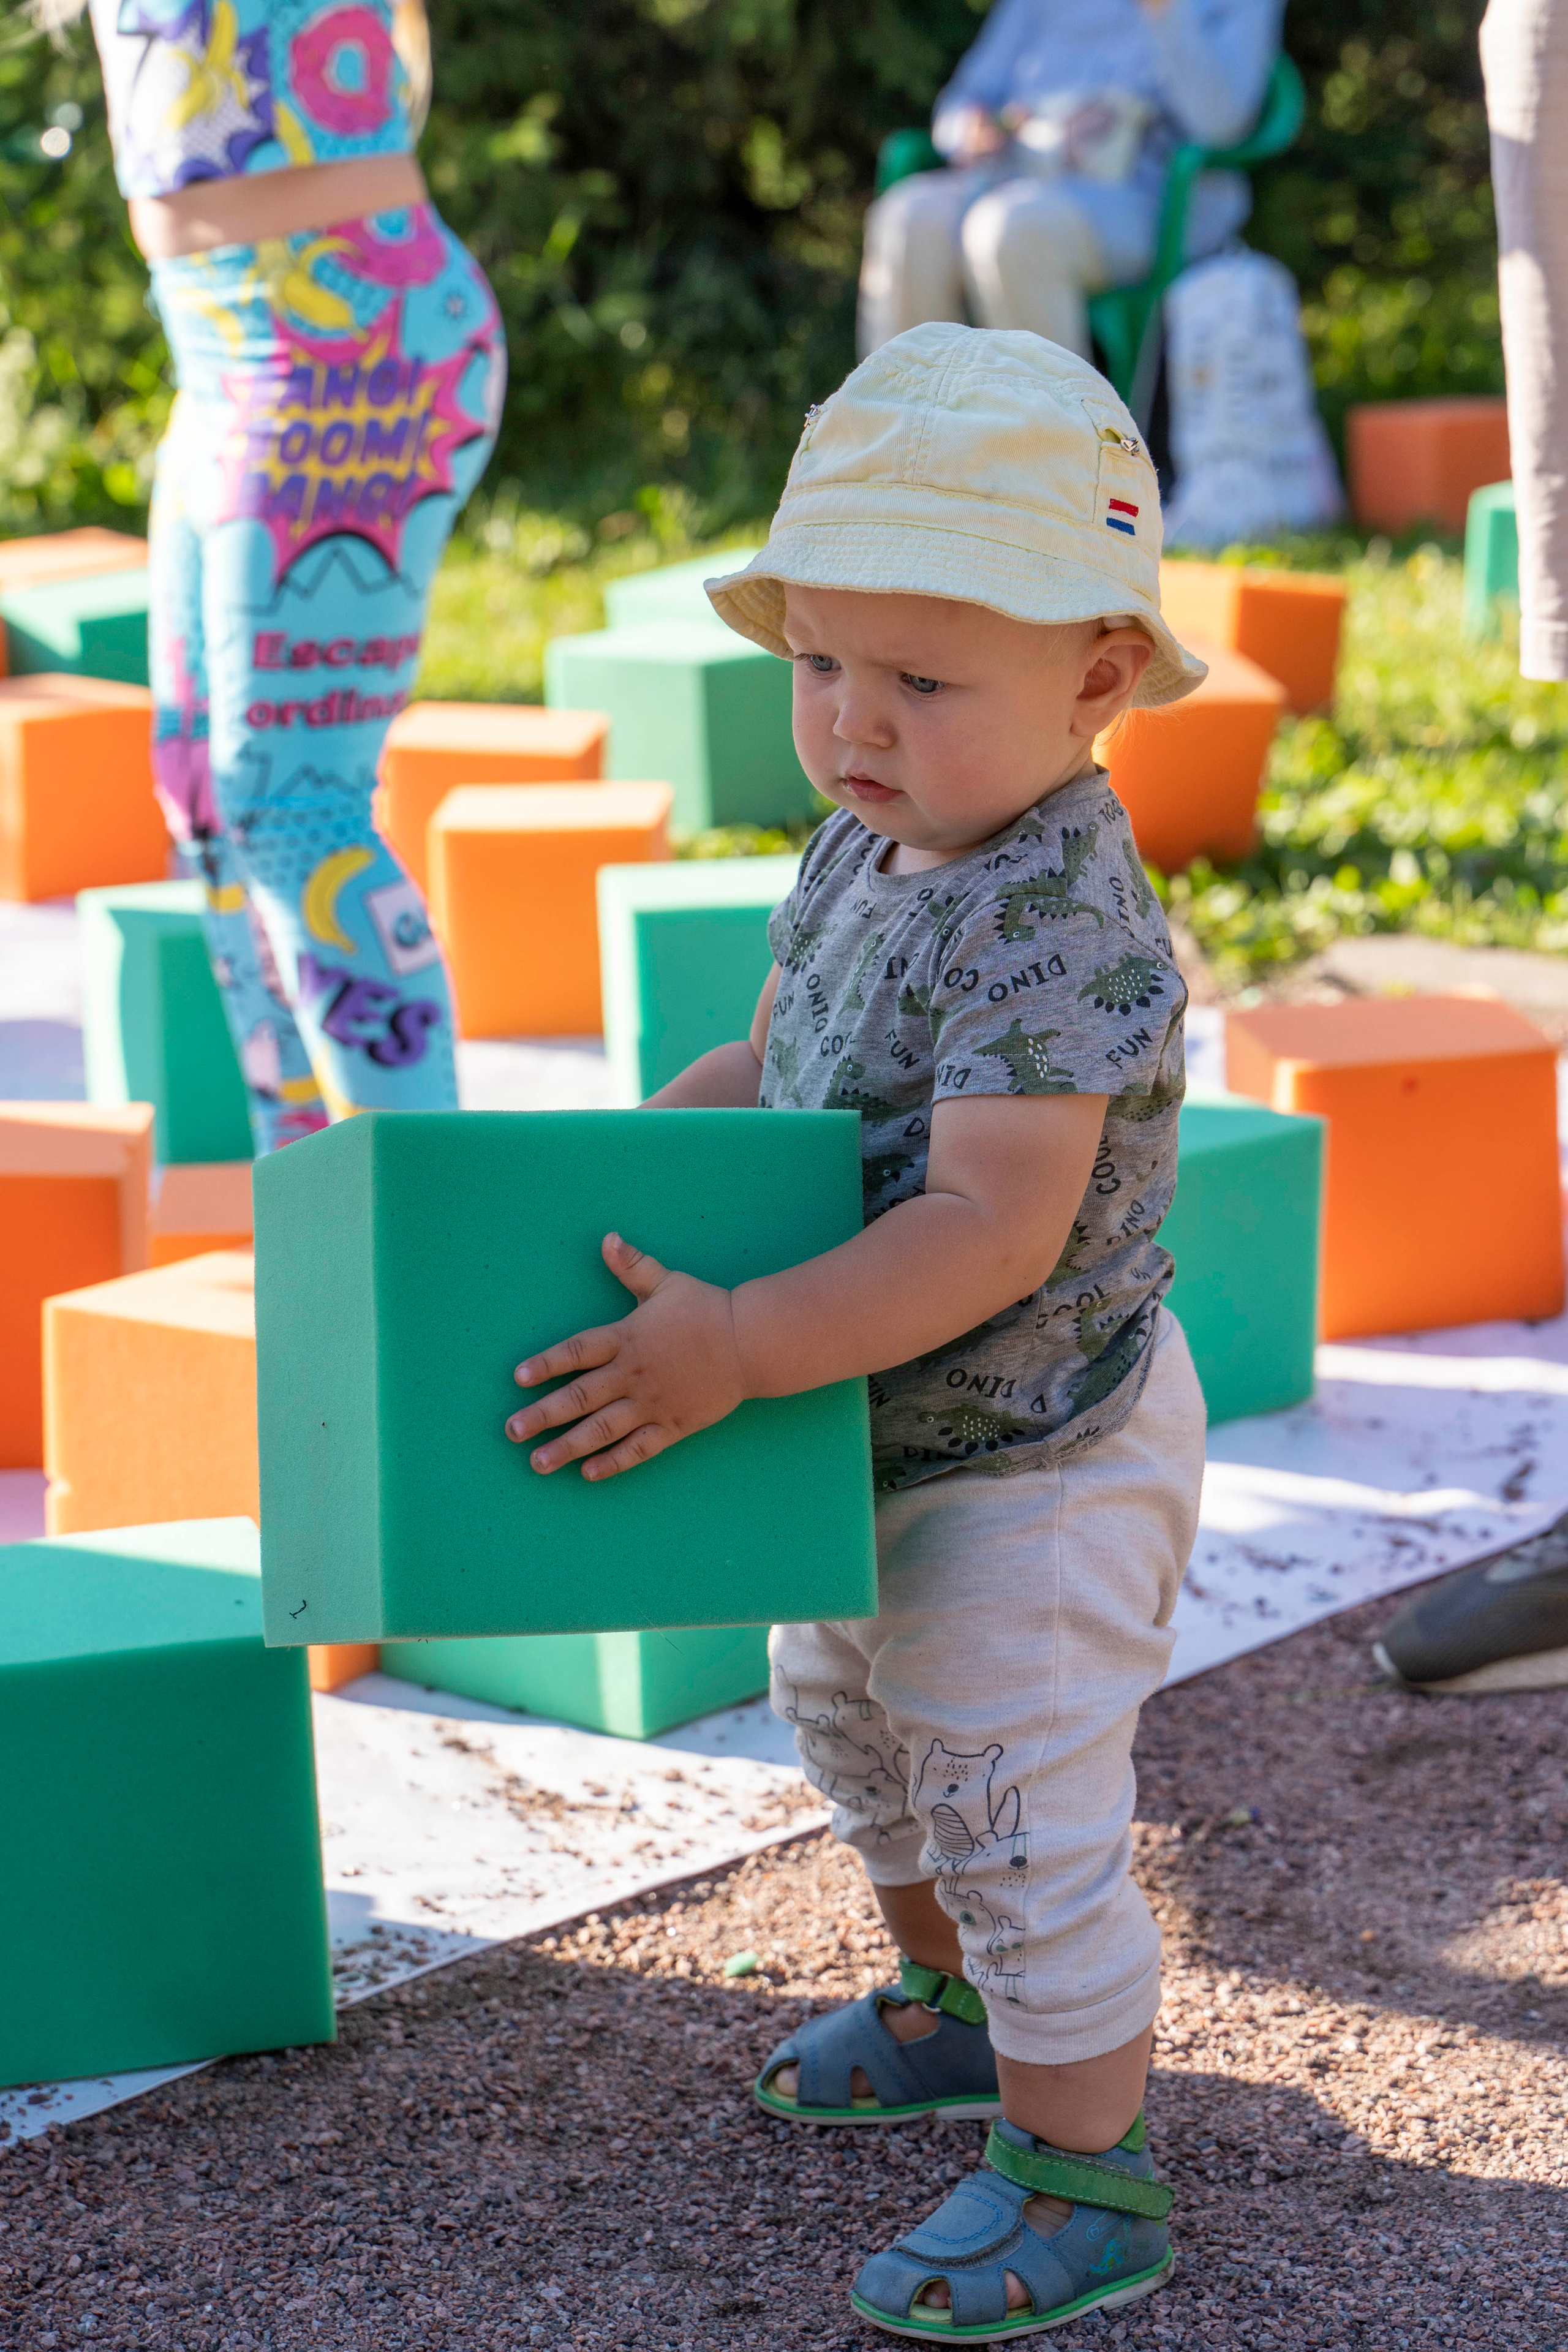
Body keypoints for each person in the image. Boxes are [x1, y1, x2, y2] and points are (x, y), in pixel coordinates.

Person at [502, 323, 1210, 2337]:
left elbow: (989, 1224)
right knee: (854, 1722)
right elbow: (790, 1069)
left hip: (1031, 1444)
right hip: (862, 1414)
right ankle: (958, 2005)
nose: (852, 723)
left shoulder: (1052, 914)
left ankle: (1087, 2169)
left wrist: (734, 1348)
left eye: (918, 678)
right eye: (821, 663)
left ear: (1094, 676)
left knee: (1006, 1780)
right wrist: (641, 1173)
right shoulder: (874, 838)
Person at [42, 0, 503, 1149]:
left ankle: (416, 1223)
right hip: (220, 351)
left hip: (351, 347)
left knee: (289, 801)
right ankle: (309, 1208)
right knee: (202, 790)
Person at [858, 0, 1282, 362]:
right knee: (908, 218)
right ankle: (910, 444)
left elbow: (1222, 124)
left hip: (1145, 198)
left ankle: (1054, 452)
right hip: (1014, 174)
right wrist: (967, 127)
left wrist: (1166, 12)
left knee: (1010, 230)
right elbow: (964, 100)